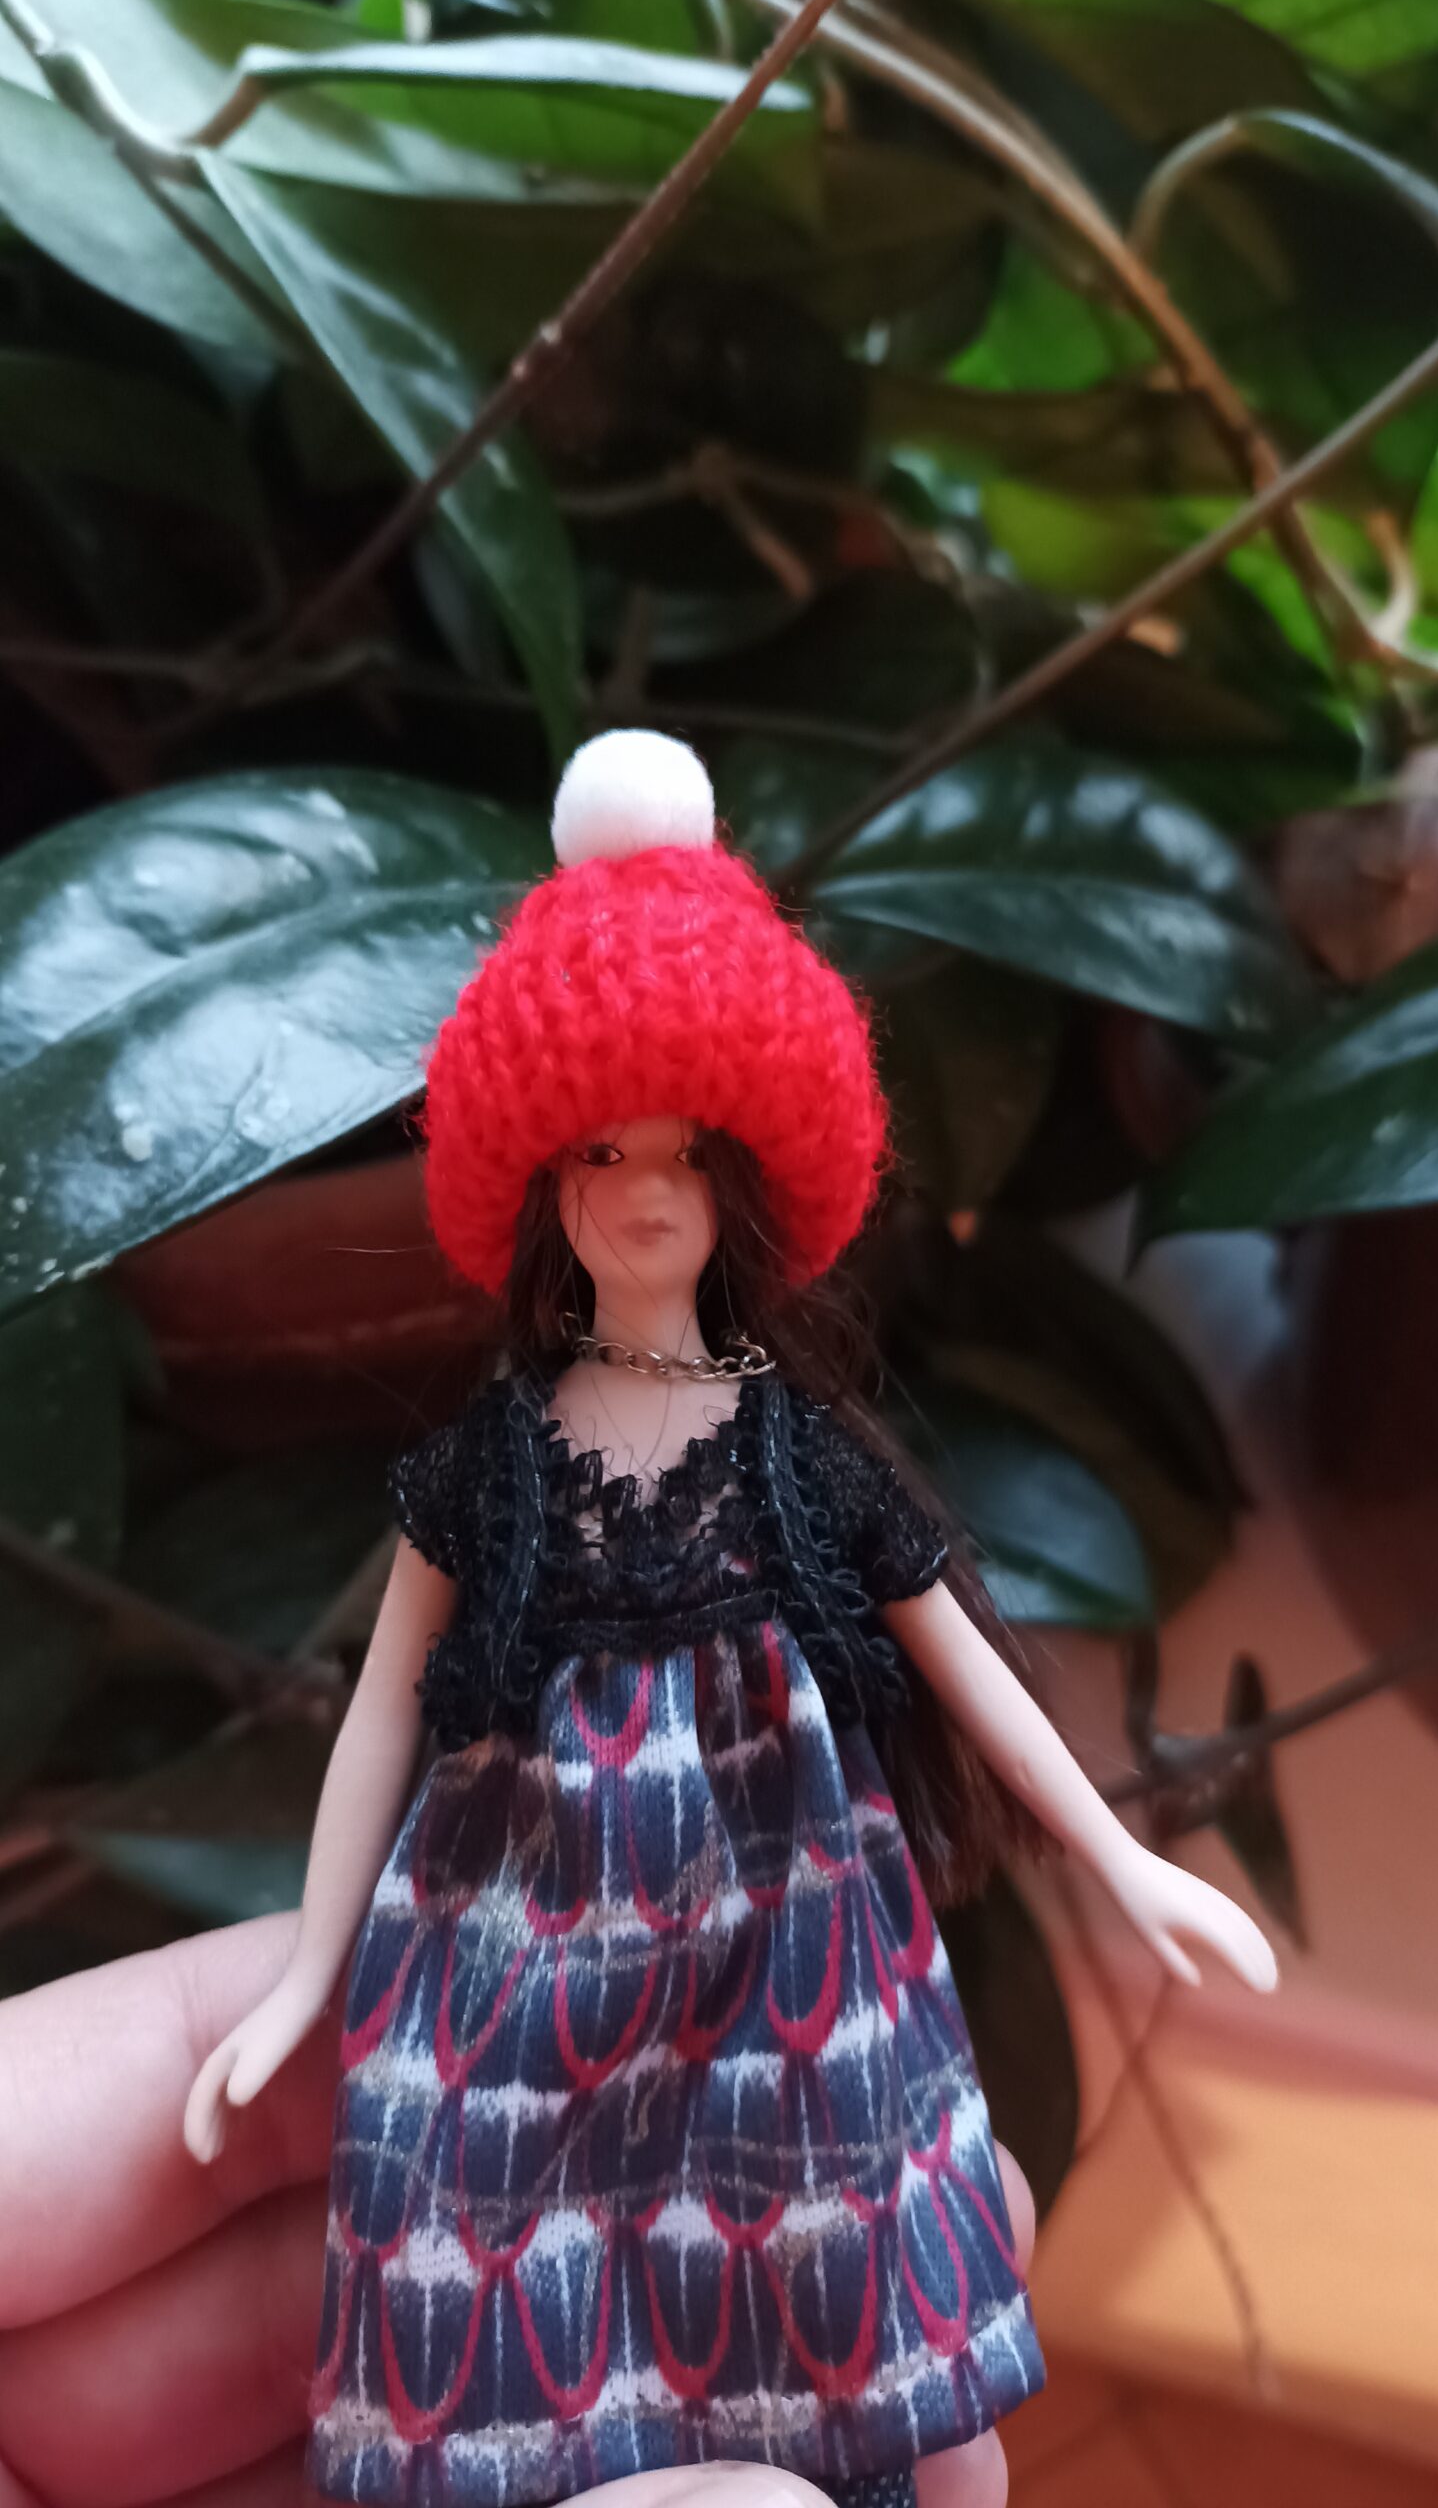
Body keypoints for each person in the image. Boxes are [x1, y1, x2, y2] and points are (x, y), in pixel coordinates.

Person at [177, 733, 1274, 2508]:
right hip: (526, 1939)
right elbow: (383, 1704)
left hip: (785, 1936)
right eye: (602, 1149)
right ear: (541, 1180)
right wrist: (312, 1971)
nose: (645, 1193)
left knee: (815, 2258)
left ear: (748, 1179)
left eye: (688, 1154)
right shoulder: (494, 1467)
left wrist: (1122, 1857)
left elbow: (957, 1657)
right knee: (499, 2226)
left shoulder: (795, 1456)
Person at [0, 1912, 1033, 2505]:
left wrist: (1113, 1856)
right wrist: (306, 1981)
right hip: (523, 1993)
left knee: (829, 2307)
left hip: (790, 1971)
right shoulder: (489, 1588)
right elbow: (386, 1726)